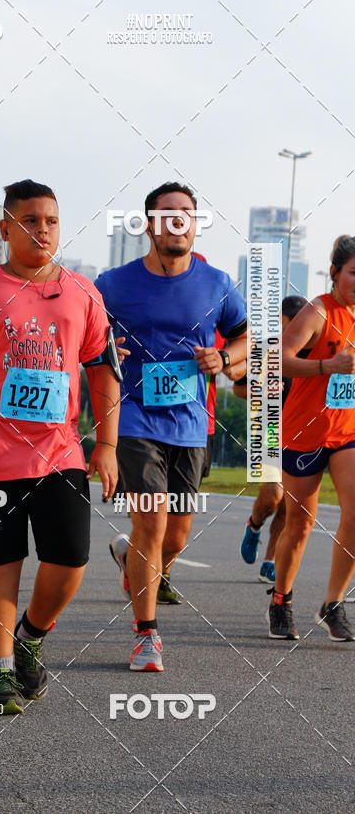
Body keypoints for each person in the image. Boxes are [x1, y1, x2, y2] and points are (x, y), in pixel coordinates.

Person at [0, 179, 120, 714]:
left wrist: (107, 444)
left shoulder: (83, 293)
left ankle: (31, 636)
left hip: (61, 453)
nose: (42, 230)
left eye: (51, 221)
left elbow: (103, 370)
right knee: (0, 562)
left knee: (71, 559)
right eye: (31, 220)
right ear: (6, 228)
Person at [98, 182, 248, 671]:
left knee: (176, 537)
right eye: (168, 213)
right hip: (134, 417)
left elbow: (247, 336)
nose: (178, 220)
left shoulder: (218, 283)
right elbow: (83, 332)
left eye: (187, 212)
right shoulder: (112, 283)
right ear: (149, 225)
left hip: (190, 424)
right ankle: (146, 636)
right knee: (152, 522)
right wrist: (103, 348)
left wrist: (225, 358)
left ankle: (133, 562)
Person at [267, 235, 355, 641]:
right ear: (335, 272)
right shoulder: (319, 311)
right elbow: (279, 359)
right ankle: (280, 599)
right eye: (354, 273)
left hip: (346, 432)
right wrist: (327, 366)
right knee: (300, 525)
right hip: (304, 433)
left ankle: (333, 603)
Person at [234, 296, 308, 583]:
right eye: (293, 319)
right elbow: (239, 388)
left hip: (301, 433)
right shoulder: (264, 350)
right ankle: (254, 525)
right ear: (282, 320)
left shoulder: (312, 353)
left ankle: (270, 561)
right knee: (273, 496)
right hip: (270, 430)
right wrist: (262, 392)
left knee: (289, 504)